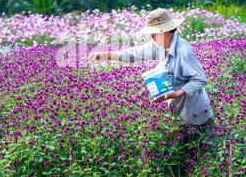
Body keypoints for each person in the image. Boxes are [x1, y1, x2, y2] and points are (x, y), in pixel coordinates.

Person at [88, 8, 213, 142]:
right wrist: (106, 56)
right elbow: (135, 53)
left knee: (194, 154)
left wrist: (176, 94)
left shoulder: (183, 52)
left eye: (154, 33)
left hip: (195, 115)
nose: (151, 36)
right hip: (178, 111)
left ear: (164, 32)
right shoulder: (159, 46)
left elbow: (200, 79)